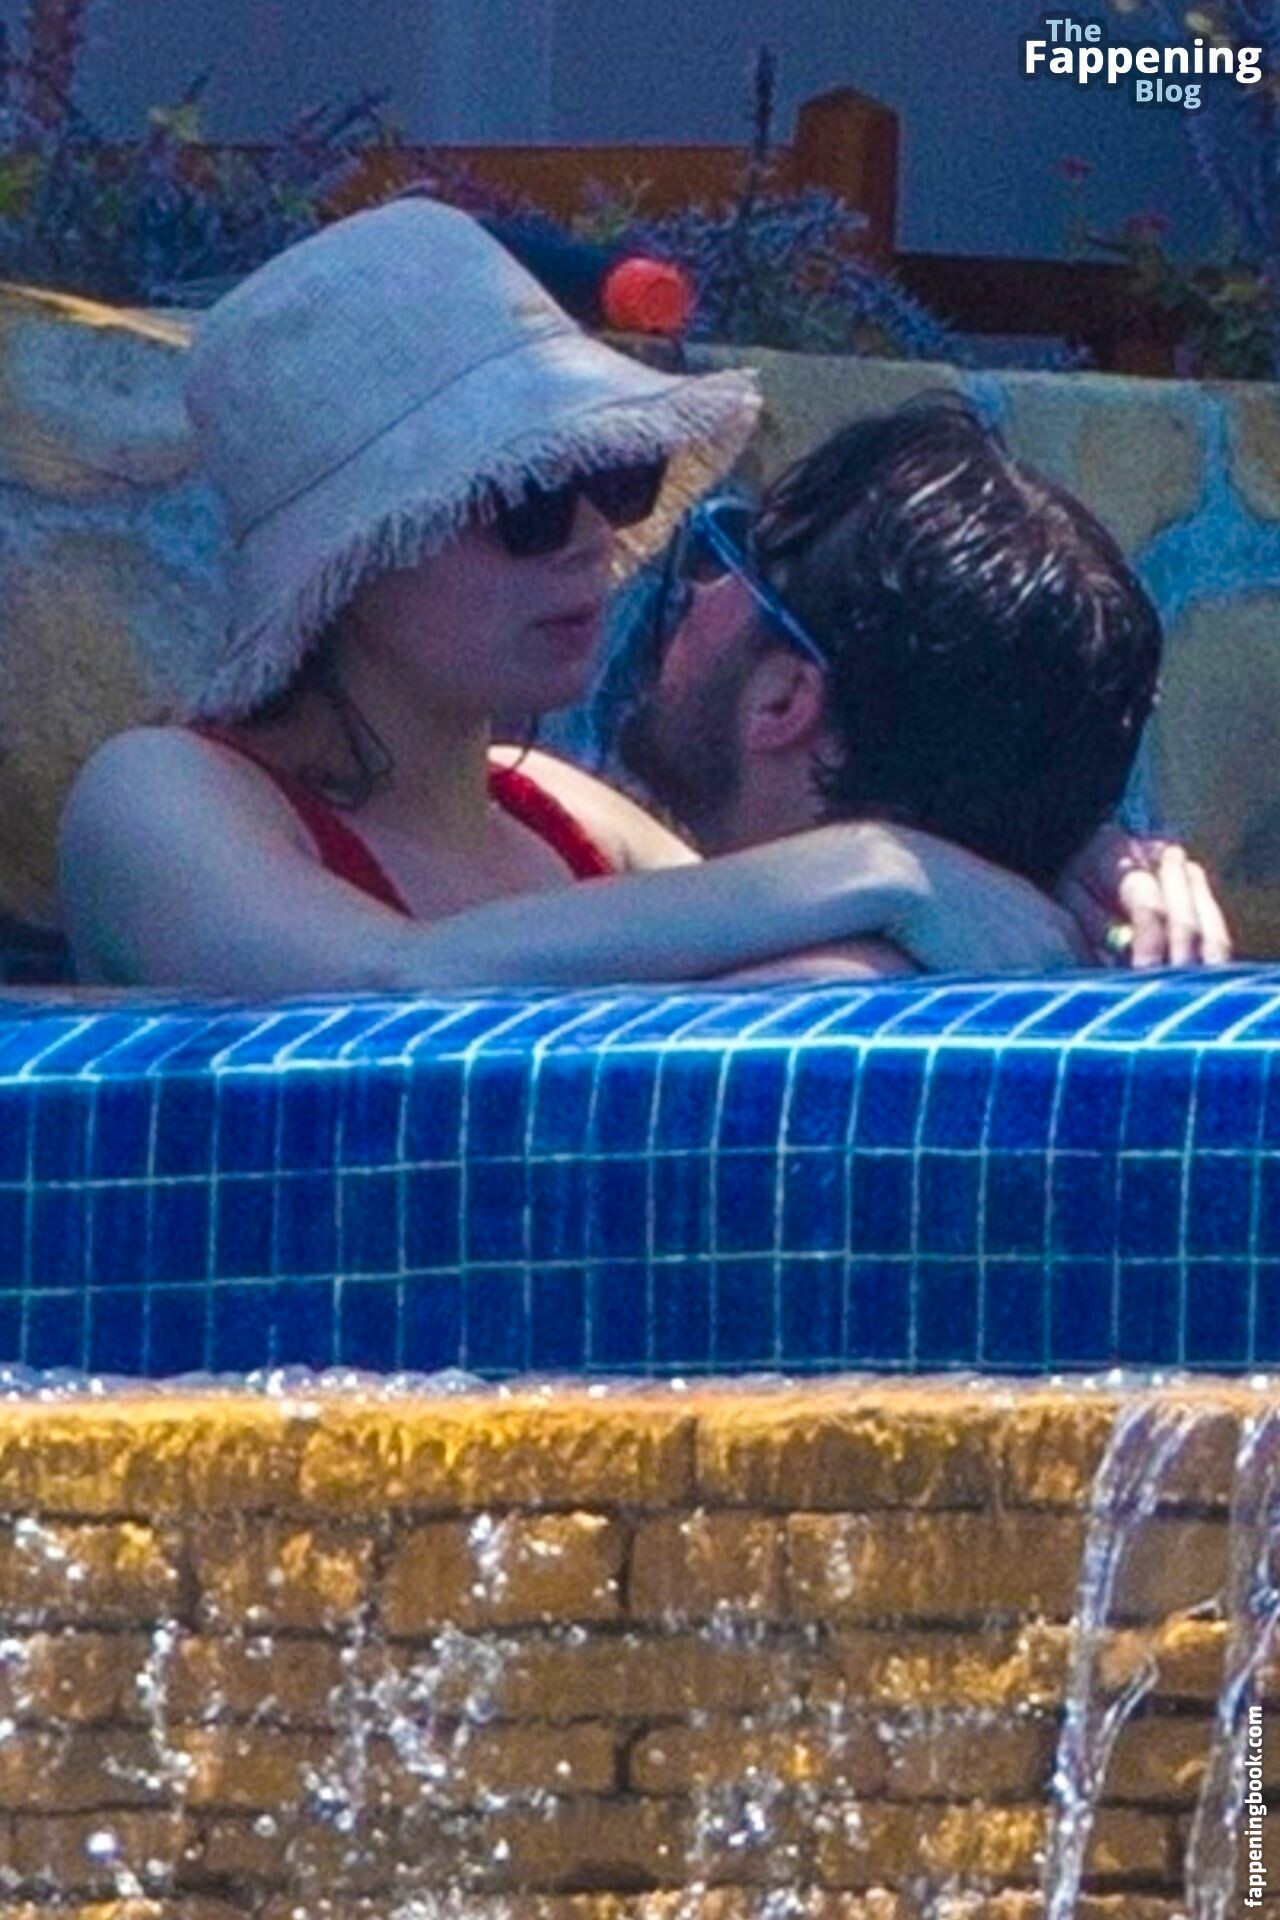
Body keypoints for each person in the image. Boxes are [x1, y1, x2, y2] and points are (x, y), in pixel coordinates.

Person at [58, 201, 1096, 997]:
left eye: (615, 478)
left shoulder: (567, 817)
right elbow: (388, 988)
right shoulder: (159, 795)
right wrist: (883, 863)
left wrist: (1065, 874)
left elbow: (807, 990)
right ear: (359, 556)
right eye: (529, 501)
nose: (595, 536)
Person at [612, 396, 1232, 973]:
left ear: (784, 699)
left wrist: (888, 868)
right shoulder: (1039, 962)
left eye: (735, 557)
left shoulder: (795, 999)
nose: (699, 587)